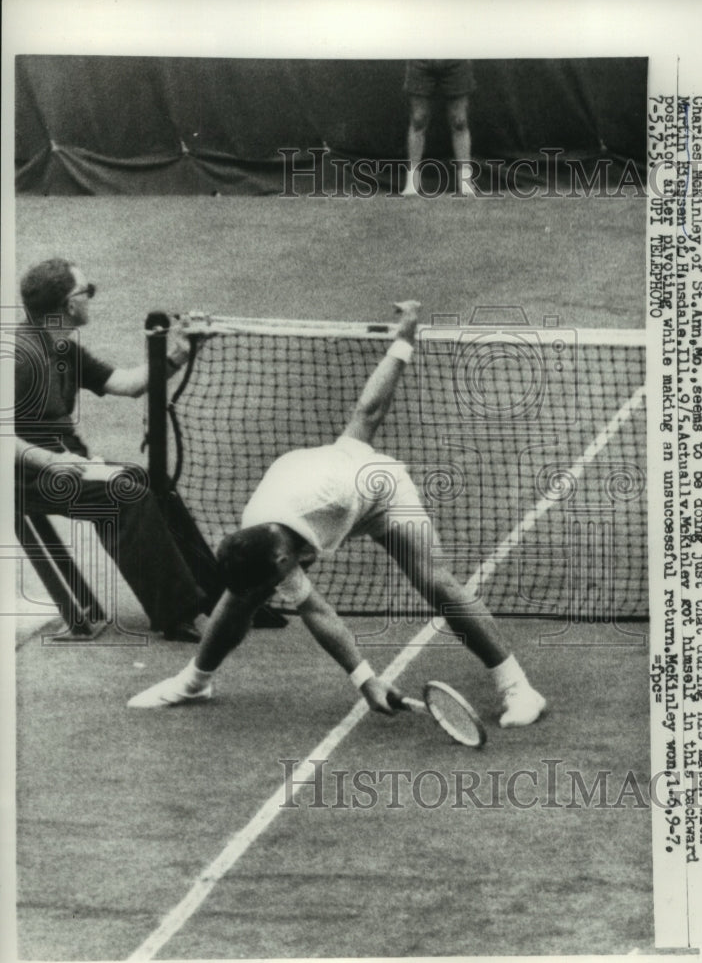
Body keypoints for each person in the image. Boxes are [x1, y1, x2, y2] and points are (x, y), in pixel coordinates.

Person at [128, 301, 546, 728]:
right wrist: (366, 679)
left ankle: (518, 688)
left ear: (282, 560)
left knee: (435, 582)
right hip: (308, 515)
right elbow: (311, 606)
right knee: (242, 594)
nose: (284, 585)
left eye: (281, 576)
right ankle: (195, 680)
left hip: (378, 493)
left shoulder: (337, 489)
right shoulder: (259, 535)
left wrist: (403, 342)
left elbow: (366, 415)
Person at [15, 257, 205, 642]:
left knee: (149, 480)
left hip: (63, 464)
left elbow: (128, 383)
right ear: (69, 304)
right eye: (89, 292)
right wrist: (51, 461)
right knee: (125, 494)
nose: (92, 299)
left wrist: (181, 351)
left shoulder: (63, 347)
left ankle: (217, 594)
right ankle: (176, 612)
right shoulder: (21, 356)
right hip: (23, 475)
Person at [401, 60, 477, 197]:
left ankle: (466, 182)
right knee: (418, 119)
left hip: (455, 57)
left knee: (459, 120)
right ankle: (412, 184)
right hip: (421, 57)